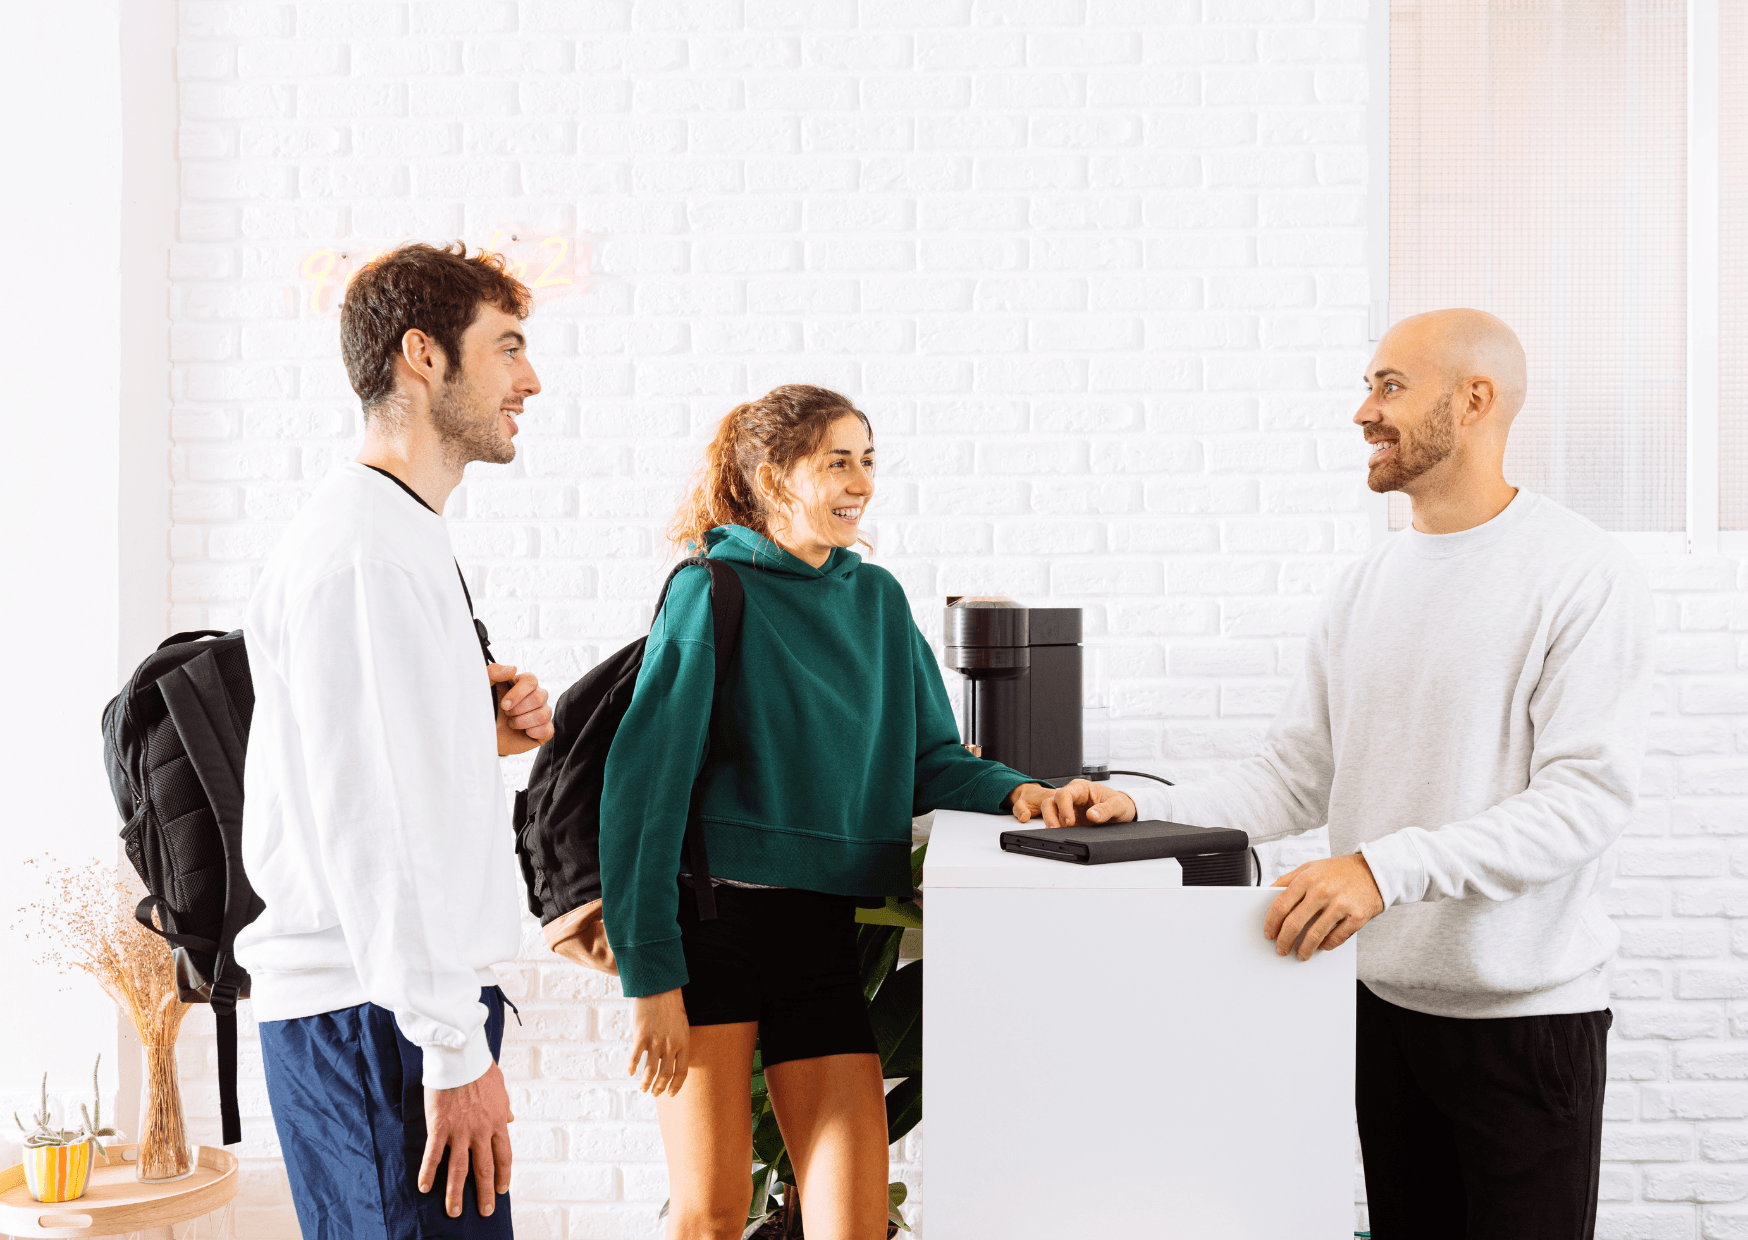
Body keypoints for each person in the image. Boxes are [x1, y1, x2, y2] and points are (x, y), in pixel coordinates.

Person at [1057, 309, 1654, 1239]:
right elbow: (1296, 775)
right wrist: (1141, 807)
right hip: (1384, 1009)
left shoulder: (1581, 572)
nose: (1361, 412)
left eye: (1388, 386)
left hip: (1525, 1025)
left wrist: (1382, 870)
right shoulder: (1366, 584)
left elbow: (1585, 801)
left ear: (1476, 399)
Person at [597, 385, 1082, 1240]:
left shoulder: (879, 601)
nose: (861, 482)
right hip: (711, 930)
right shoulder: (709, 592)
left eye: (868, 460)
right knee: (709, 1217)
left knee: (852, 1224)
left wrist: (1017, 792)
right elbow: (644, 791)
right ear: (772, 476)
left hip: (820, 936)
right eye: (837, 461)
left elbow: (930, 756)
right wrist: (651, 980)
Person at [236, 243, 557, 1239]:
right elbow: (375, 825)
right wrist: (451, 1049)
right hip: (380, 1019)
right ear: (423, 355)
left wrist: (470, 726)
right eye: (505, 347)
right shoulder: (367, 551)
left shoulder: (398, 531)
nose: (529, 379)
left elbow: (385, 772)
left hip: (397, 1009)